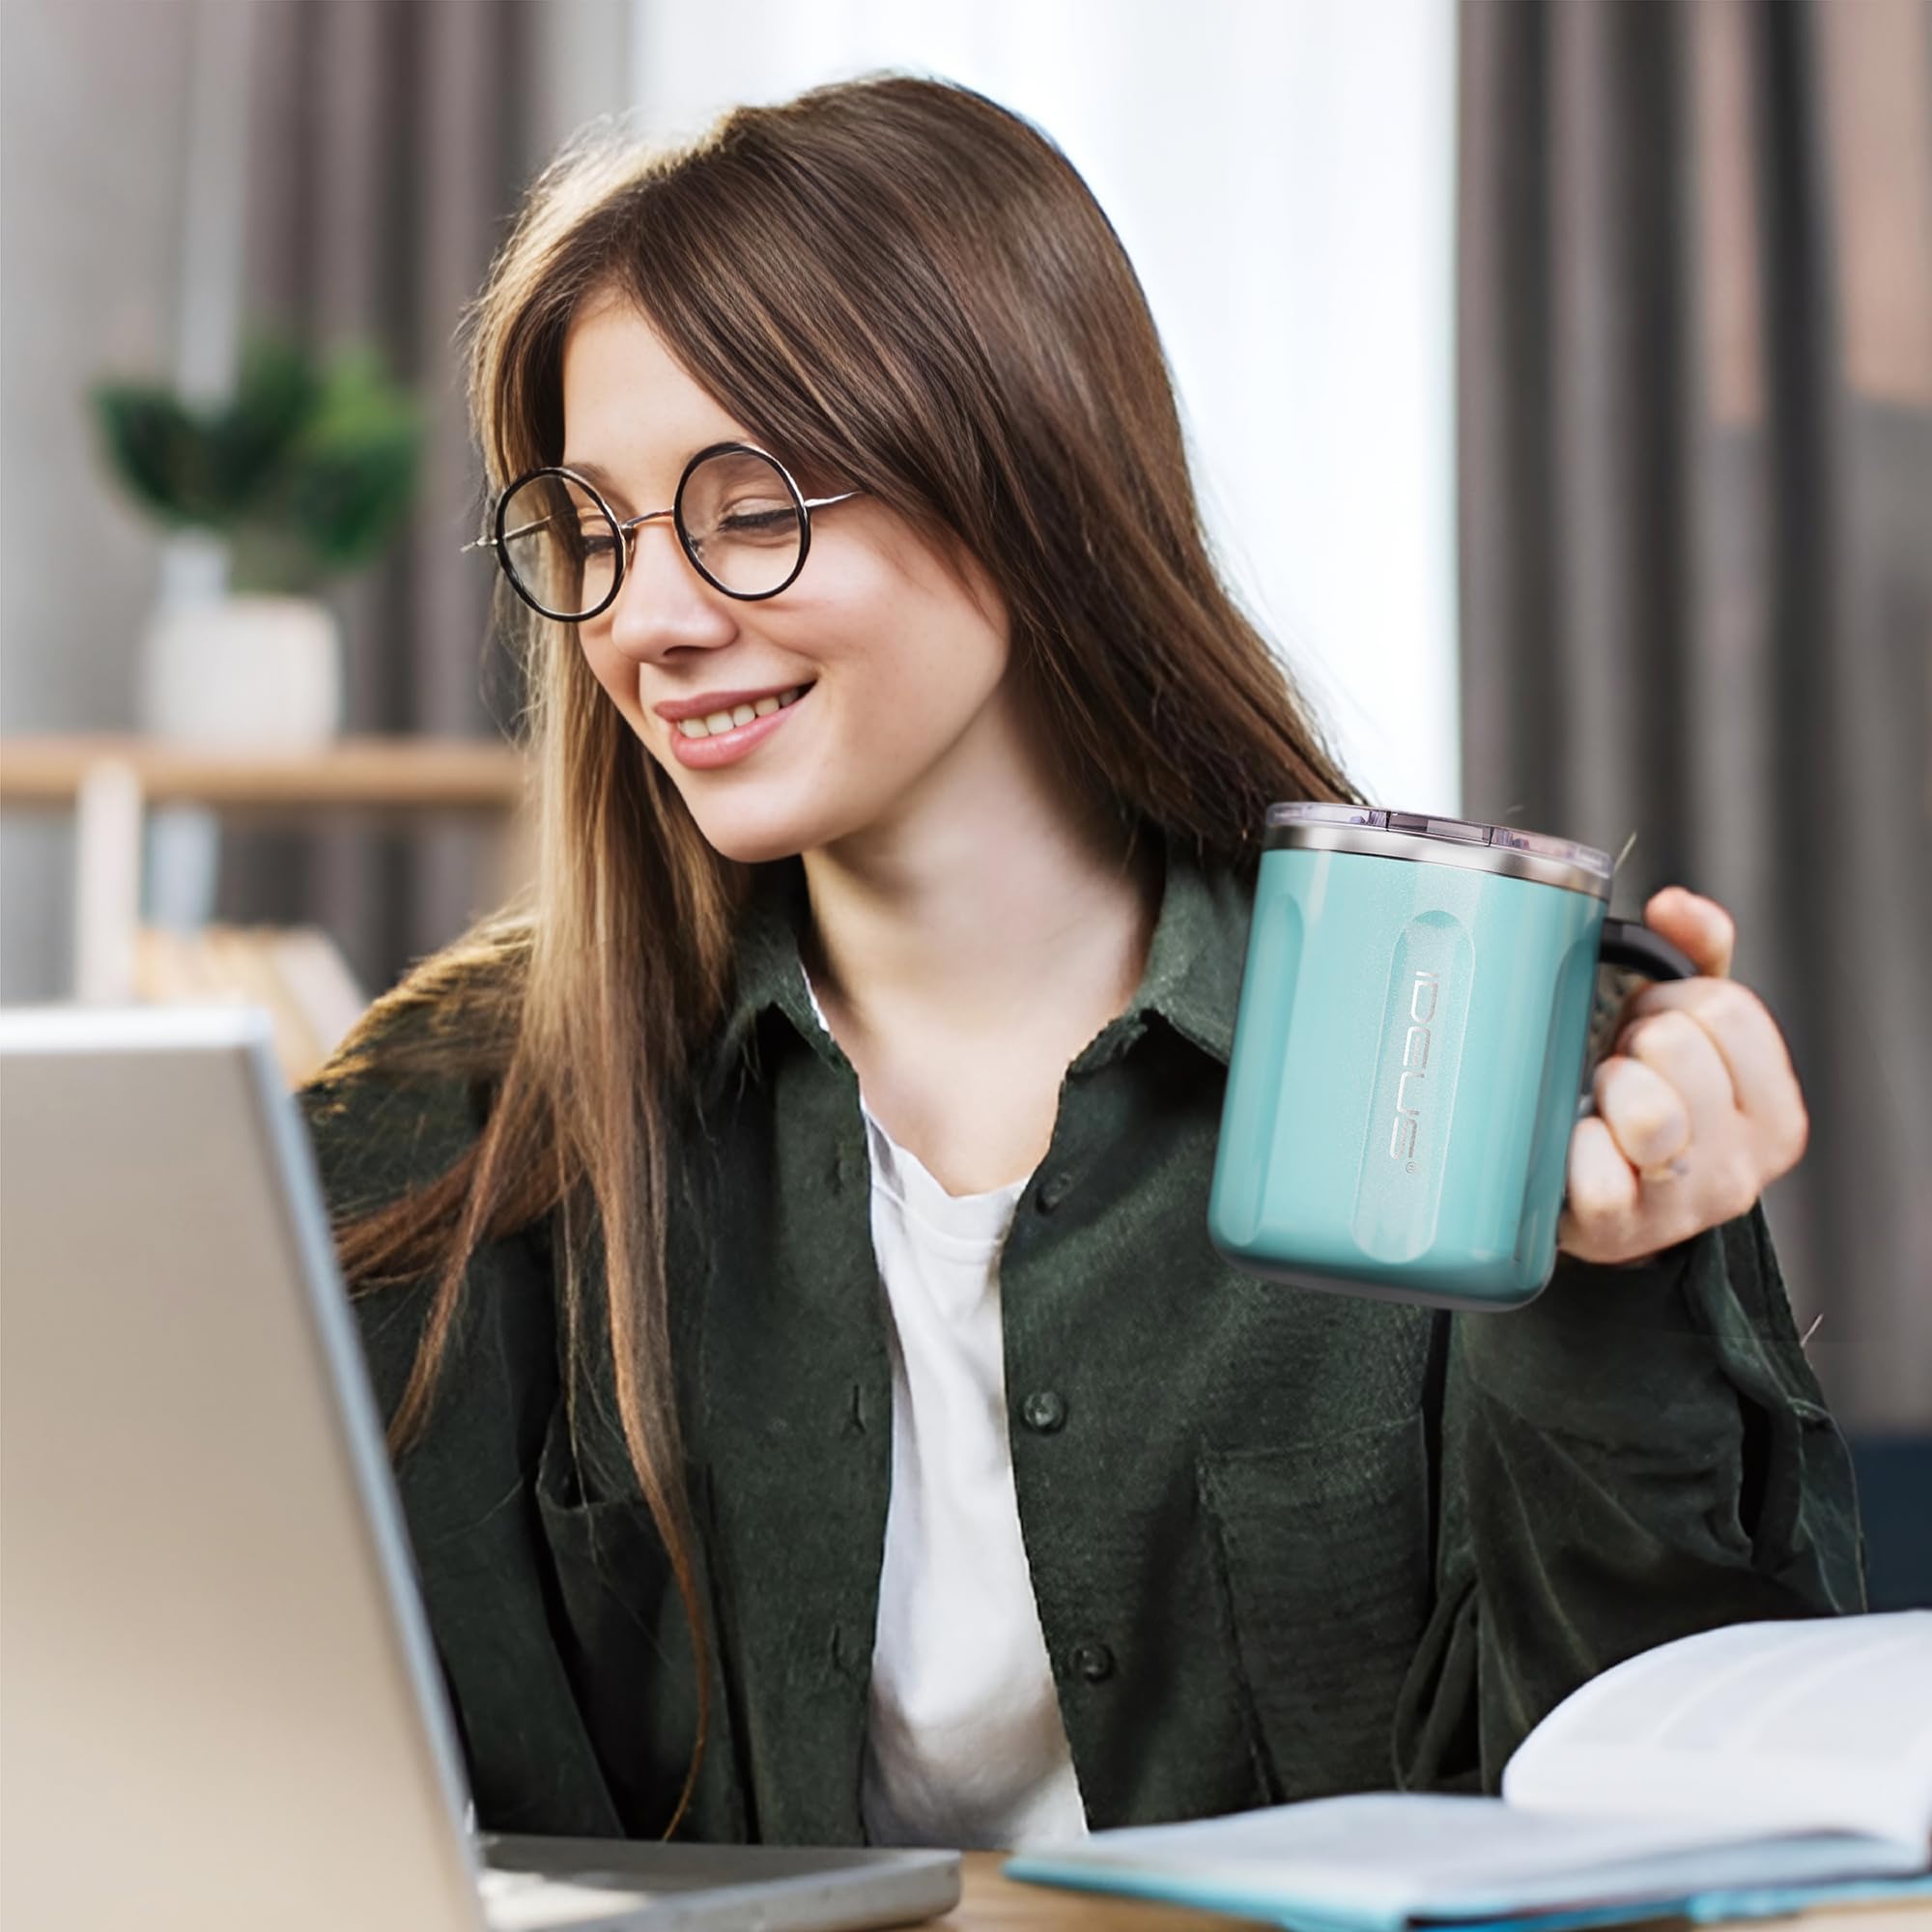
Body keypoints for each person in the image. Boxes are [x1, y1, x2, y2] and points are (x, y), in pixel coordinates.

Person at [298, 73, 1861, 1855]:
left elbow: (1680, 1811)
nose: (650, 621)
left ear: (1023, 479)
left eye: (749, 507)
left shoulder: (1460, 1043)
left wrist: (1622, 1299)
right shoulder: (457, 1110)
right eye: (594, 532)